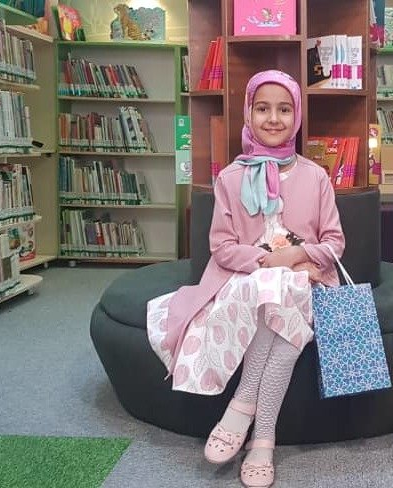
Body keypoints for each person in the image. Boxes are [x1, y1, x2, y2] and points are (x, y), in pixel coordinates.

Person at [146, 69, 345, 488]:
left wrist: (295, 255)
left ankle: (242, 411)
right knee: (274, 300)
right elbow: (222, 247)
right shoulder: (230, 178)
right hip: (248, 281)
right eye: (263, 108)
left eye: (284, 109)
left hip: (309, 282)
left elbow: (334, 243)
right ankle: (263, 440)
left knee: (284, 310)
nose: (273, 118)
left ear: (297, 115)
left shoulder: (315, 176)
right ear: (248, 114)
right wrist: (270, 263)